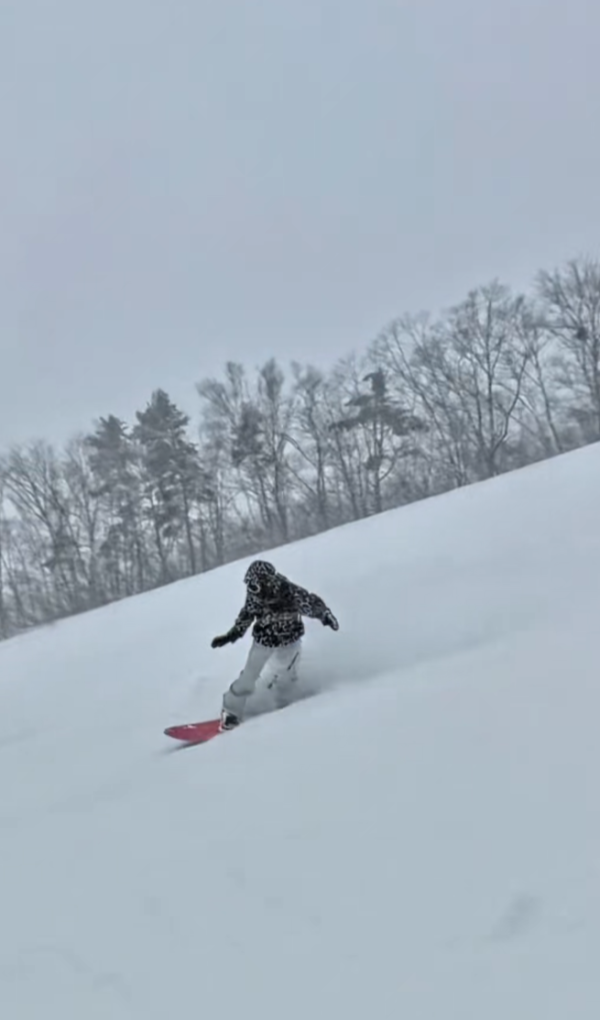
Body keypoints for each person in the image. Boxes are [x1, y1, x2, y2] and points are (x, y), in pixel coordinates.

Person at [211, 559, 339, 729]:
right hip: (264, 640)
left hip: (289, 641)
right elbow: (247, 614)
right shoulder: (254, 596)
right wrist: (232, 634)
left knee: (286, 676)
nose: (252, 590)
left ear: (268, 581)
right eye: (249, 585)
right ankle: (231, 713)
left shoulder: (289, 592)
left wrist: (325, 615)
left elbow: (310, 602)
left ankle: (285, 708)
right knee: (249, 676)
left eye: (255, 585)